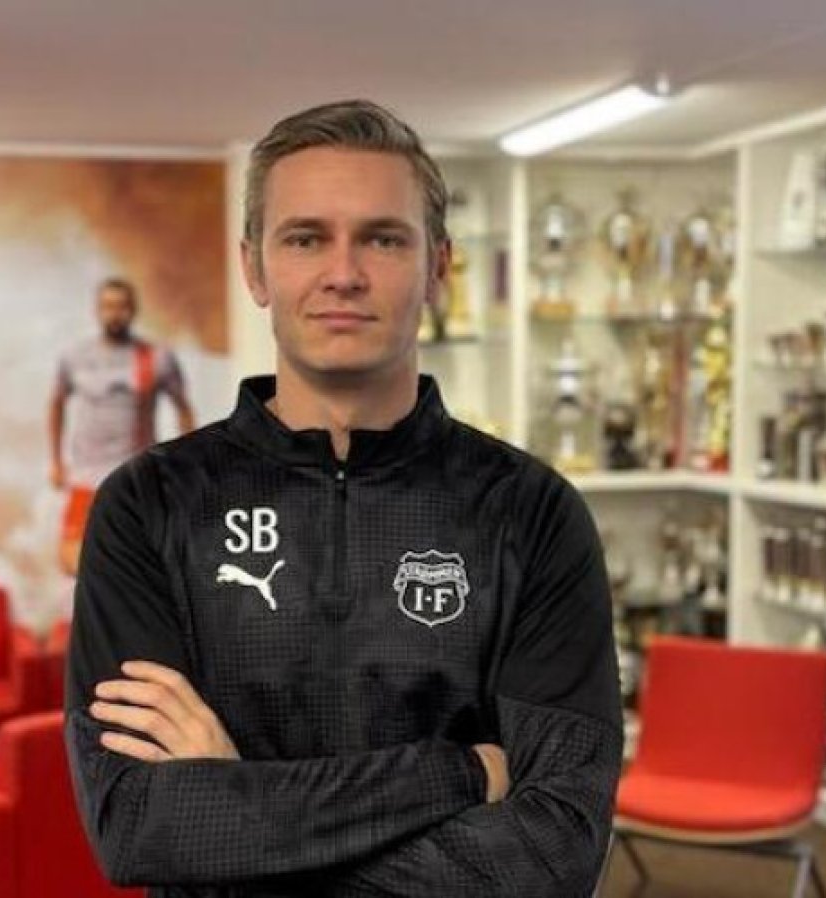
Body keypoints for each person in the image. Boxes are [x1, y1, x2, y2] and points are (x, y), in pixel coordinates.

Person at [66, 100, 622, 896]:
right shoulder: (148, 506)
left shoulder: (530, 513)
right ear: (255, 268)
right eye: (305, 238)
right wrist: (461, 773)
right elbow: (138, 825)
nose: (344, 273)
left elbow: (554, 854)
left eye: (383, 238)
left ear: (439, 267)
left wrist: (235, 808)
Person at [48, 277, 195, 577]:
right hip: (87, 476)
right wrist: (56, 461)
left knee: (138, 562)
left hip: (135, 477)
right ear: (97, 310)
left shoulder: (156, 358)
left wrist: (186, 461)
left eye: (121, 307)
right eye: (107, 306)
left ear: (133, 310)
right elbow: (56, 403)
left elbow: (183, 408)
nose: (114, 314)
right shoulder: (75, 357)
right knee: (71, 561)